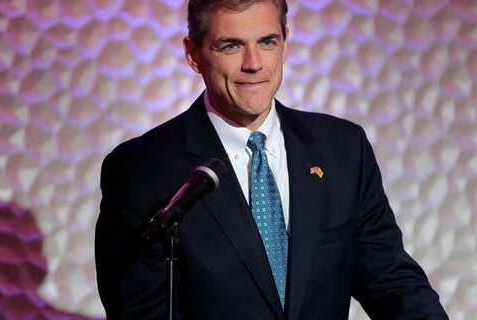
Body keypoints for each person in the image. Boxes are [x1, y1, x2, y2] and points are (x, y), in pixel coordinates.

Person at [94, 0, 448, 319]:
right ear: (194, 54)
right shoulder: (140, 170)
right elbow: (139, 311)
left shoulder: (342, 150)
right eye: (230, 45)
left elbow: (391, 282)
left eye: (267, 42)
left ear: (285, 44)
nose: (254, 64)